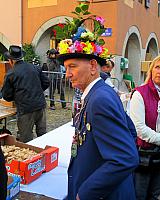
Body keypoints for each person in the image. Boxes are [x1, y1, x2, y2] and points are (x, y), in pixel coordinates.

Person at [54, 7, 139, 199]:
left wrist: (85, 192)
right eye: (66, 68)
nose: (67, 74)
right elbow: (130, 131)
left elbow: (125, 158)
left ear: (93, 66)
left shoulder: (100, 99)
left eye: (72, 67)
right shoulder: (101, 93)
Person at [1, 45, 50, 143]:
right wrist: (37, 91)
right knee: (43, 135)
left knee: (26, 139)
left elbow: (6, 95)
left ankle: (31, 158)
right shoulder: (35, 68)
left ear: (11, 60)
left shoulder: (11, 73)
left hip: (25, 109)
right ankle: (46, 155)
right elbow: (46, 82)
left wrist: (16, 97)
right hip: (40, 105)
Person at [130, 55, 160, 200]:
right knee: (139, 195)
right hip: (144, 156)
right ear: (151, 70)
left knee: (156, 195)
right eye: (158, 67)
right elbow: (139, 128)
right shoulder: (140, 93)